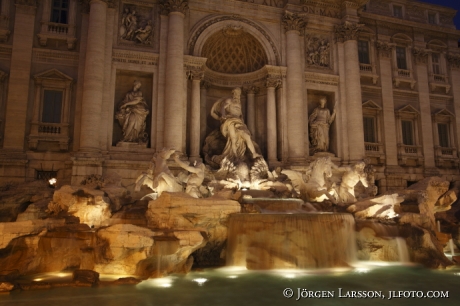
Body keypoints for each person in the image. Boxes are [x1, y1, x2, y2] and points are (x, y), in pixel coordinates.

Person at [210, 87, 261, 161]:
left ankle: (254, 153)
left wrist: (243, 124)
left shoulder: (239, 103)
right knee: (233, 138)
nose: (238, 95)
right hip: (230, 120)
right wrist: (223, 115)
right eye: (236, 93)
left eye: (239, 94)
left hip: (239, 121)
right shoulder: (229, 100)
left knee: (247, 136)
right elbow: (223, 107)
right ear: (233, 93)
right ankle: (234, 156)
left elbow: (241, 115)